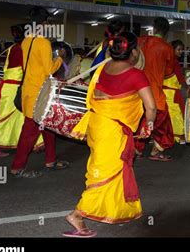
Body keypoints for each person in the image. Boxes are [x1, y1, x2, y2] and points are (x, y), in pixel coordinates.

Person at [64, 32, 156, 238]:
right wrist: (149, 126)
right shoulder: (136, 74)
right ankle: (77, 214)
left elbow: (97, 94)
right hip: (113, 130)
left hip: (97, 125)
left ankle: (117, 208)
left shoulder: (104, 68)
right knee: (108, 172)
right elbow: (151, 107)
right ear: (133, 52)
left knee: (104, 168)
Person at [10, 7, 68, 178]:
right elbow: (49, 69)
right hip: (39, 94)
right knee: (29, 131)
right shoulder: (43, 42)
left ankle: (50, 160)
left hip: (28, 89)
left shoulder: (26, 41)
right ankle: (17, 167)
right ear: (43, 24)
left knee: (47, 126)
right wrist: (60, 58)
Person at [0, 25, 43, 157]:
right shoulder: (21, 49)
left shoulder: (14, 47)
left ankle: (32, 144)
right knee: (6, 117)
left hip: (11, 86)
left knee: (21, 117)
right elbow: (27, 69)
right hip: (14, 88)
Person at [135, 17, 176, 161]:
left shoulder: (140, 41)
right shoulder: (166, 48)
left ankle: (136, 149)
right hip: (153, 92)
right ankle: (156, 151)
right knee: (163, 125)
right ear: (166, 31)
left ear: (154, 28)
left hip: (135, 91)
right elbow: (169, 72)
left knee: (139, 120)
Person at [163, 40, 186, 144]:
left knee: (169, 113)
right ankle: (179, 135)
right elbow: (179, 77)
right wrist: (185, 85)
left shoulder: (166, 60)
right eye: (179, 49)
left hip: (165, 90)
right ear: (172, 49)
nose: (181, 52)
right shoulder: (174, 61)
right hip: (171, 92)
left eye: (182, 50)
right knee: (175, 113)